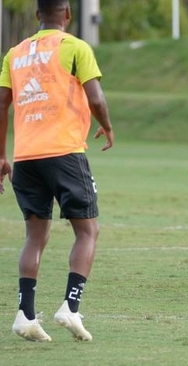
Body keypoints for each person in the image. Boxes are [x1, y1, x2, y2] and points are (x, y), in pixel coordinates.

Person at [0, 0, 114, 342]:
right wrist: (106, 125)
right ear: (67, 14)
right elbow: (95, 98)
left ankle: (25, 315)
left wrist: (1, 155)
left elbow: (1, 104)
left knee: (35, 235)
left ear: (37, 15)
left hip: (26, 156)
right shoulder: (76, 47)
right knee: (87, 231)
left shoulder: (14, 53)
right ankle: (71, 307)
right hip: (64, 152)